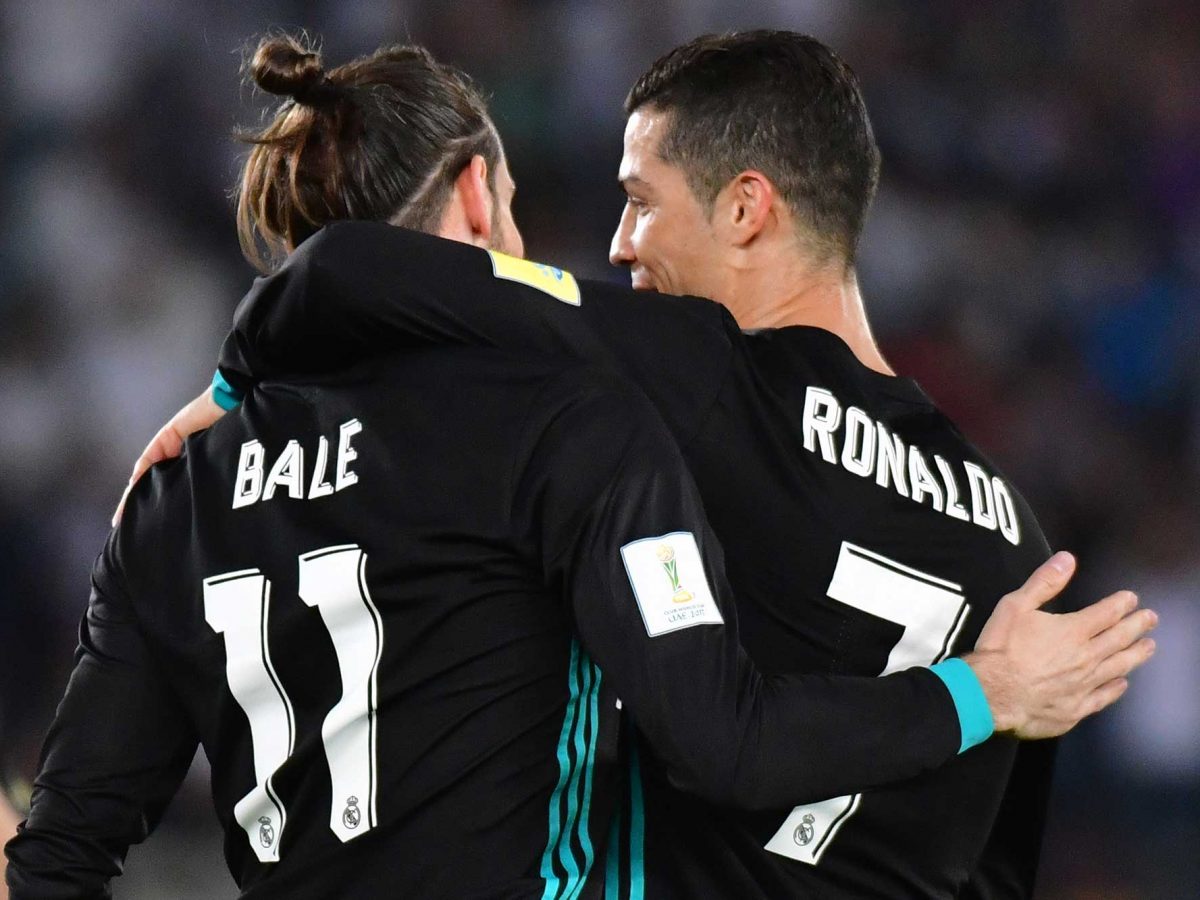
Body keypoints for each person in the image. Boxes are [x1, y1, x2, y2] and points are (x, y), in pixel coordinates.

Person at [100, 33, 1154, 898]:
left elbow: (363, 266)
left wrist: (237, 385)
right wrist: (985, 687)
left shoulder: (692, 376)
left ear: (747, 209)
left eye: (640, 200)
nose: (615, 244)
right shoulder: (1023, 546)